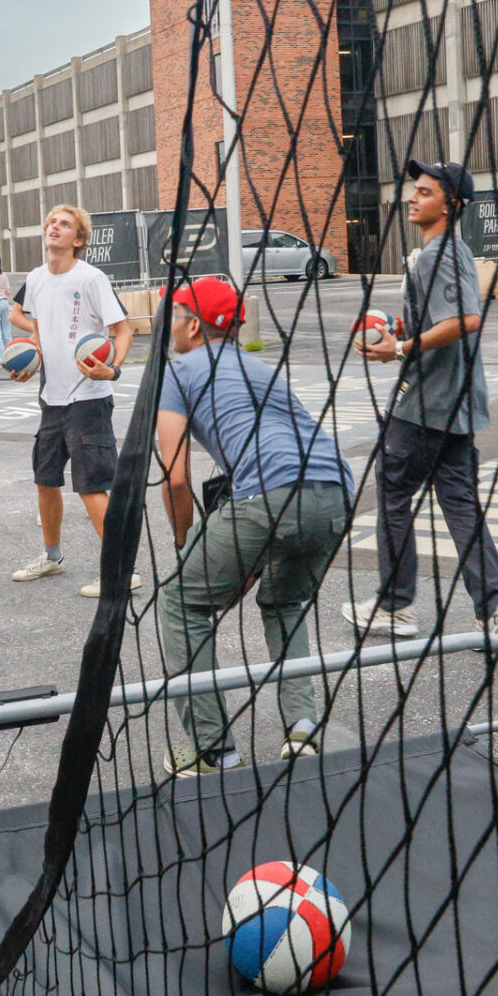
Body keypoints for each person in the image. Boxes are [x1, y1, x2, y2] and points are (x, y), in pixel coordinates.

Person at [154, 276, 354, 775]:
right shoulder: (261, 368)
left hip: (270, 495)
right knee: (284, 601)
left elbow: (175, 479)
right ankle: (302, 726)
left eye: (175, 316)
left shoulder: (179, 372)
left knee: (181, 600)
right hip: (336, 492)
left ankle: (213, 751)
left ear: (194, 326)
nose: (169, 326)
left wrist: (187, 546)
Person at [343, 159, 498, 639]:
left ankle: (394, 606)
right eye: (414, 190)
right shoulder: (450, 252)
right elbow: (443, 318)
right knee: (459, 500)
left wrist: (400, 349)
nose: (412, 197)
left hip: (424, 402)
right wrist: (397, 329)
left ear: (452, 205)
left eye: (425, 192)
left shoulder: (437, 255)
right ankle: (495, 608)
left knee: (394, 492)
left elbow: (466, 319)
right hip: (456, 403)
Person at [8, 204, 135, 598]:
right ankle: (52, 557)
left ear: (78, 240)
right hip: (53, 396)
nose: (54, 227)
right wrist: (32, 355)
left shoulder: (91, 278)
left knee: (91, 485)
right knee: (45, 480)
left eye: (63, 225)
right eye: (51, 222)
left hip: (89, 396)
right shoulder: (35, 278)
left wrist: (112, 369)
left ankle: (121, 572)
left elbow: (123, 329)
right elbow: (39, 327)